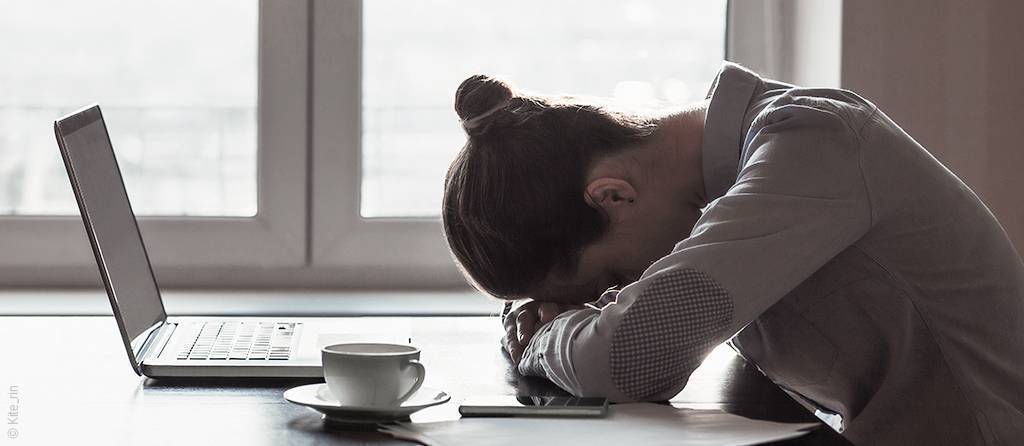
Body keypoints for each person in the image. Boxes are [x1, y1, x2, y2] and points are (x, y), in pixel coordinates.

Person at [441, 63, 1024, 444]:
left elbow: (631, 359)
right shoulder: (741, 179)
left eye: (614, 277)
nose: (623, 291)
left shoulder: (811, 145)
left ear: (612, 195)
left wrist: (546, 340)